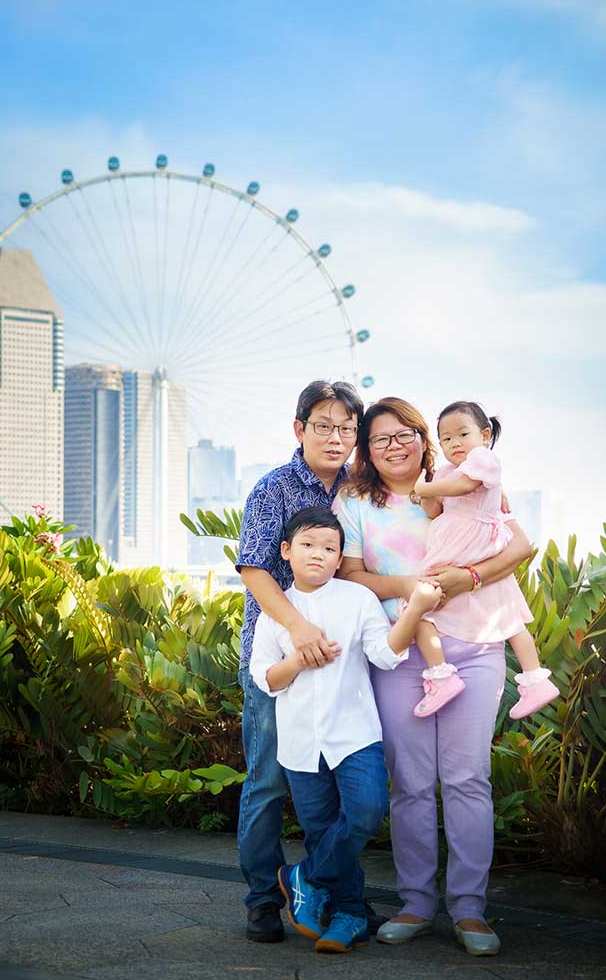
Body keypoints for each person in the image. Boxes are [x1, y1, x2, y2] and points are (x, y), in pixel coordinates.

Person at [333, 396, 533, 956]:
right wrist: (415, 592)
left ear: (424, 439)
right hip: (400, 651)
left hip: (473, 647)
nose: (394, 446)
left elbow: (520, 545)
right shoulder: (355, 501)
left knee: (468, 778)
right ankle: (417, 902)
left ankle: (470, 910)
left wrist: (465, 577)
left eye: (405, 435)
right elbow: (350, 572)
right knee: (412, 784)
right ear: (367, 451)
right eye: (380, 439)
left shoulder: (462, 479)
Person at [250, 507, 442, 954]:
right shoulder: (275, 612)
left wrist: (413, 611)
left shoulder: (357, 599)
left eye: (329, 548)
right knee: (321, 831)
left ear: (340, 559)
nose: (318, 554)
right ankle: (349, 915)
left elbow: (385, 655)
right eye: (308, 545)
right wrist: (298, 659)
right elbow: (267, 679)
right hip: (300, 744)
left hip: (355, 734)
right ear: (287, 551)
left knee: (365, 812)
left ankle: (306, 877)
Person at [236, 379, 380, 944]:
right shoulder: (274, 488)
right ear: (299, 429)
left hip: (345, 667)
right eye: (324, 425)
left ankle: (331, 895)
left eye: (347, 428)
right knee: (268, 783)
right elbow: (254, 569)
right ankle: (263, 902)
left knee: (345, 799)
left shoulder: (360, 488)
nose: (337, 436)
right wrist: (297, 631)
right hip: (278, 659)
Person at [407, 400, 559, 720]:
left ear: (485, 434)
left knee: (419, 607)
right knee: (506, 612)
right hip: (461, 545)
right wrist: (427, 493)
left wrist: (424, 485)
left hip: (471, 545)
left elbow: (465, 485)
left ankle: (442, 675)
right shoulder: (449, 471)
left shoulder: (484, 460)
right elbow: (435, 510)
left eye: (462, 433)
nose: (455, 443)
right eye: (446, 439)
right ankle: (532, 680)